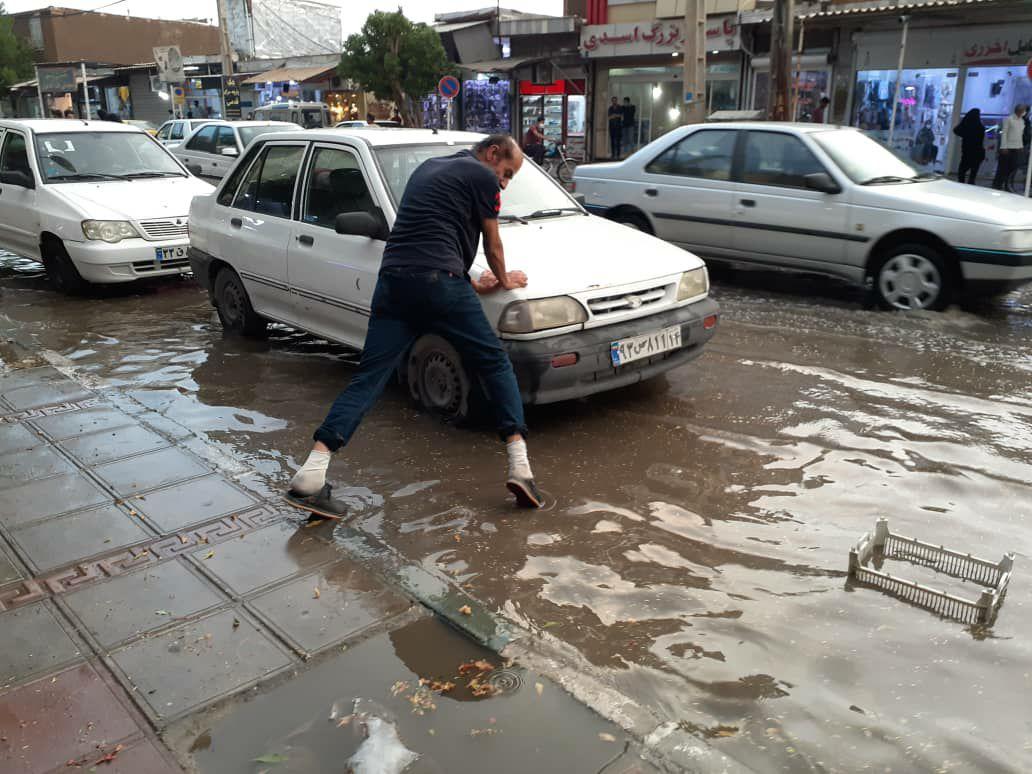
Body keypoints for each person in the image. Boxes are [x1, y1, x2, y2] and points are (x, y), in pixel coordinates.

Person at [286, 134, 542, 518]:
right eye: (506, 173)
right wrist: (505, 280)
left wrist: (470, 282)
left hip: (394, 283)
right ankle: (521, 467)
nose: (504, 182)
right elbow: (493, 244)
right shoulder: (482, 176)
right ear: (492, 154)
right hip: (439, 282)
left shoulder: (427, 170)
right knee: (493, 361)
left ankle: (312, 472)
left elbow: (425, 239)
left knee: (368, 378)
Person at [992, 104, 1028, 190]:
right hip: (1007, 148)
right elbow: (1004, 134)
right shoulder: (1008, 119)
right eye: (1024, 111)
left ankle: (1007, 185)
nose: (1025, 113)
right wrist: (1004, 147)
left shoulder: (1021, 121)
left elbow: (1020, 135)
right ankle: (997, 185)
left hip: (1016, 148)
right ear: (1019, 111)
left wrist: (1020, 146)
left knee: (1012, 168)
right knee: (1003, 168)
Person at [953, 108, 986, 185]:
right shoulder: (980, 127)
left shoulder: (966, 126)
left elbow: (955, 130)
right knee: (973, 173)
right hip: (978, 153)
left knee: (962, 171)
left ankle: (961, 186)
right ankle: (970, 187)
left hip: (967, 152)